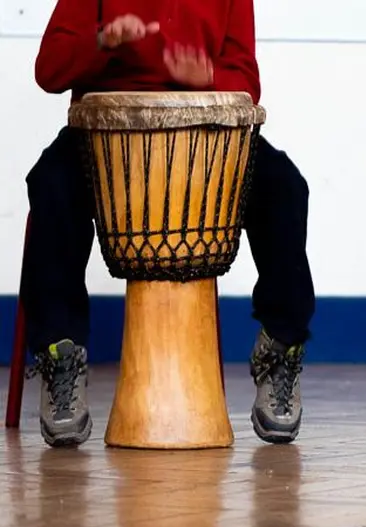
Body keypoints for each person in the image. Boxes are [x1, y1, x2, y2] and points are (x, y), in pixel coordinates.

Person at [26, 0, 315, 447]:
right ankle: (59, 353)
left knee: (286, 188)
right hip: (105, 136)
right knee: (50, 184)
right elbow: (49, 69)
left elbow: (246, 77)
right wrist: (102, 39)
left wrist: (210, 80)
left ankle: (282, 345)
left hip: (206, 137)